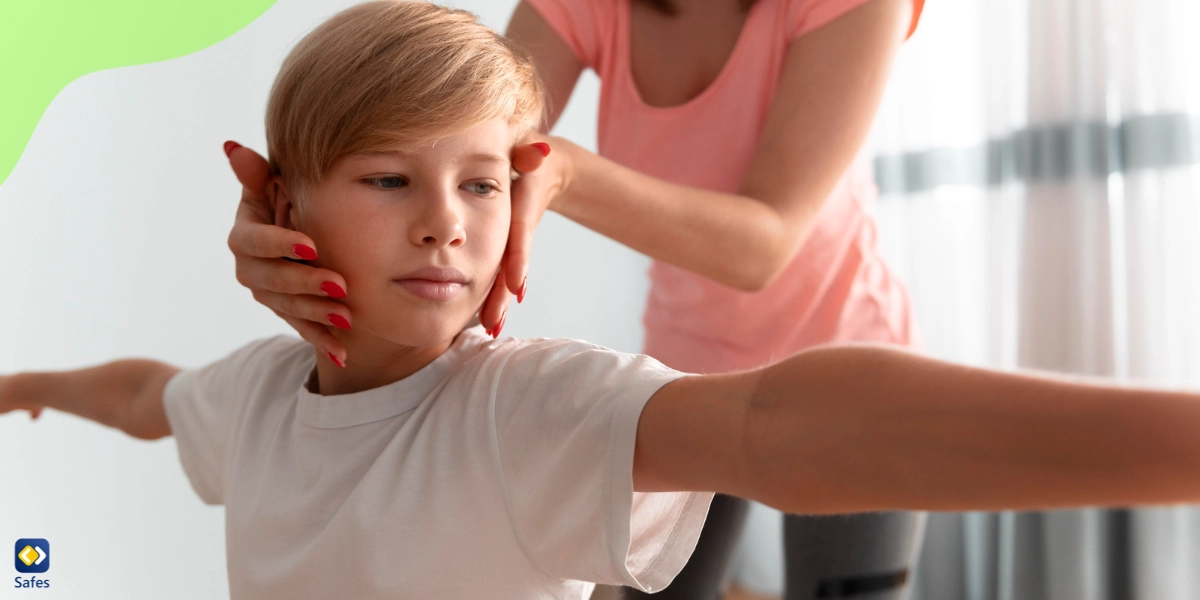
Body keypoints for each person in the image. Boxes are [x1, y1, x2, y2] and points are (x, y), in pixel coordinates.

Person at [6, 3, 1200, 599]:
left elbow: (770, 411)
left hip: (827, 334)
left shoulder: (530, 410)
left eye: (484, 189)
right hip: (687, 345)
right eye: (388, 185)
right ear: (285, 198)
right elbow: (152, 396)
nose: (449, 221)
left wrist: (556, 172)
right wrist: (27, 388)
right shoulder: (258, 398)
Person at [226, 0, 929, 597]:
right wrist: (290, 218)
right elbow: (451, 121)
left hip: (847, 351)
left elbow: (762, 247)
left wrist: (565, 172)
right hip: (689, 366)